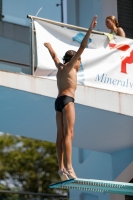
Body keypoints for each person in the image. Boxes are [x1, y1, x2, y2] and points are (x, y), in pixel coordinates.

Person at [44, 16, 97, 181]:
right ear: (75, 59)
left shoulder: (60, 67)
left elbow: (54, 57)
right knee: (70, 134)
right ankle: (70, 167)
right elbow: (82, 46)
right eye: (79, 61)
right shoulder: (70, 66)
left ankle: (61, 169)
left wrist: (49, 46)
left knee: (60, 134)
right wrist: (90, 29)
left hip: (58, 102)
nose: (79, 64)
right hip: (67, 100)